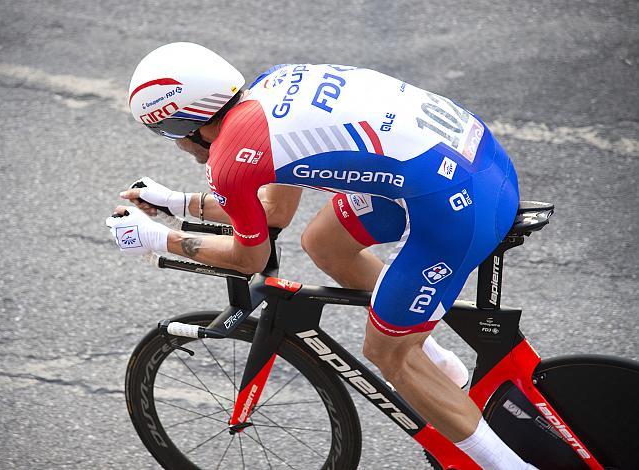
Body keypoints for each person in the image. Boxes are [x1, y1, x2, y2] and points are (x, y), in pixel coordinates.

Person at [107, 42, 530, 469]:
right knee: (324, 242)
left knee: (389, 355)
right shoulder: (268, 88)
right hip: (475, 161)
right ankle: (447, 374)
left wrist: (157, 240)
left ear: (186, 120)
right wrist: (177, 204)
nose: (178, 146)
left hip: (457, 205)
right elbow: (271, 210)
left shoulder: (230, 158)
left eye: (168, 133)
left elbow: (250, 257)